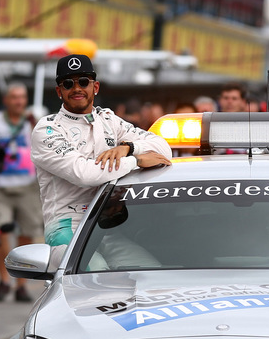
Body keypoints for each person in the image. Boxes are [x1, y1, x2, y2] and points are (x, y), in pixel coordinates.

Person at [32, 54, 173, 247]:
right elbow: (84, 174)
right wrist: (136, 160)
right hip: (68, 224)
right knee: (91, 275)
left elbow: (164, 149)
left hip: (108, 224)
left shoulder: (108, 119)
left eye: (83, 81)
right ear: (59, 91)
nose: (76, 89)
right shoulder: (47, 128)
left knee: (142, 274)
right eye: (68, 84)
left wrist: (128, 148)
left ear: (95, 87)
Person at [0, 83, 42, 303]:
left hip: (27, 185)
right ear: (6, 100)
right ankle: (4, 279)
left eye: (22, 97)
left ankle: (21, 284)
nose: (18, 101)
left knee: (26, 234)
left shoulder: (34, 121)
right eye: (14, 97)